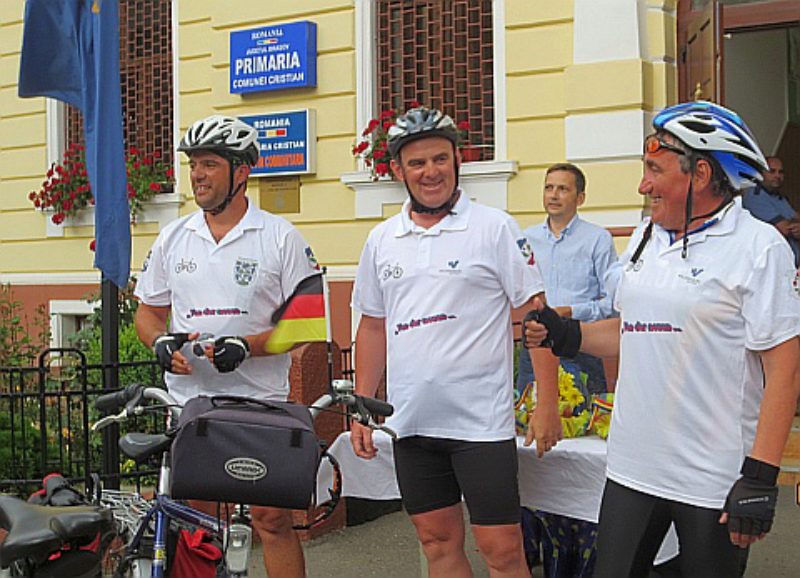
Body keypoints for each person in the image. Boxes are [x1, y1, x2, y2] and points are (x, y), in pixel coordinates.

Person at [524, 101, 800, 578]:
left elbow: (784, 370)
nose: (643, 184)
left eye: (654, 169)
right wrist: (568, 334)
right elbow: (635, 330)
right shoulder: (647, 235)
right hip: (633, 467)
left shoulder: (759, 247)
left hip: (711, 478)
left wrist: (761, 475)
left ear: (699, 174)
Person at [350, 106, 561, 578]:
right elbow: (372, 326)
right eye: (418, 163)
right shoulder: (383, 239)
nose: (431, 172)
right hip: (412, 422)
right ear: (399, 170)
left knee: (503, 550)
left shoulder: (495, 227)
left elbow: (536, 318)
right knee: (437, 543)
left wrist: (548, 402)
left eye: (440, 160)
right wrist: (364, 406)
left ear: (457, 161)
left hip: (480, 424)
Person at [134, 114, 320, 578]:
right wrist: (159, 342)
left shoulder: (279, 237)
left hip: (258, 402)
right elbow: (148, 311)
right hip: (191, 403)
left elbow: (307, 321)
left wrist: (248, 346)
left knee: (270, 519)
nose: (197, 174)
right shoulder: (175, 236)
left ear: (242, 172)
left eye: (210, 164)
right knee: (195, 521)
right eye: (194, 164)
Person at [516, 163, 617, 394]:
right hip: (535, 342)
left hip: (580, 342)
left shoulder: (597, 239)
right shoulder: (527, 239)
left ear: (580, 198)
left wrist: (569, 311)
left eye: (563, 189)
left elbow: (611, 303)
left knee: (581, 421)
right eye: (548, 187)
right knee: (529, 418)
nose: (553, 195)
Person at [742, 155, 800, 266]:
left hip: (790, 263)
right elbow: (787, 229)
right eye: (772, 171)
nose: (777, 176)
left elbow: (795, 216)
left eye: (780, 172)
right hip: (769, 263)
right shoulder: (755, 196)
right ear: (761, 173)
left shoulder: (778, 197)